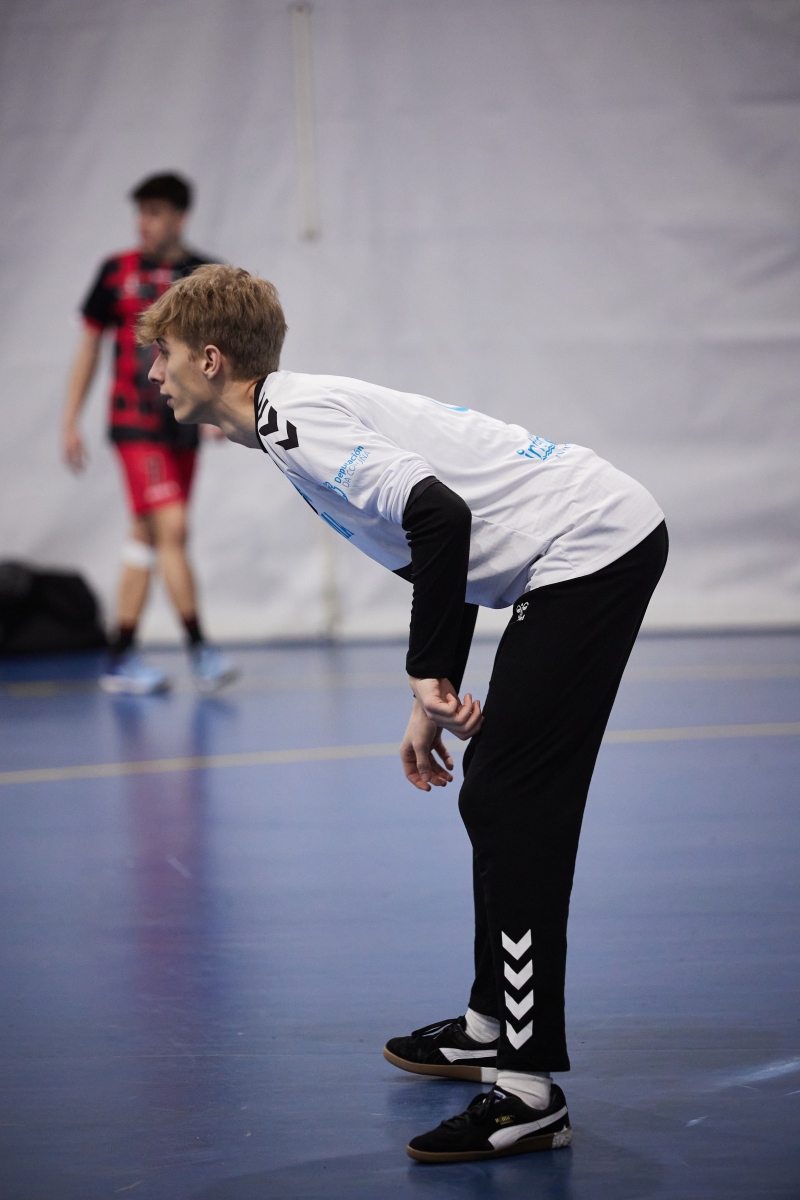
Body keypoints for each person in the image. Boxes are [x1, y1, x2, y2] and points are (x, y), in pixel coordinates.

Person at [138, 264, 668, 1163]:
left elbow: (440, 518)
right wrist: (433, 692)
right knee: (495, 796)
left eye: (164, 353)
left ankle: (528, 1091)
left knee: (512, 801)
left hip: (592, 545)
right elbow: (445, 545)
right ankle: (486, 1024)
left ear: (212, 359)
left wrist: (426, 671)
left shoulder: (293, 421)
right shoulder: (287, 422)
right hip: (568, 551)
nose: (155, 373)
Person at [62, 173, 237, 694]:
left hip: (182, 425)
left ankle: (120, 655)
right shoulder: (115, 272)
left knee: (146, 536)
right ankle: (200, 648)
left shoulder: (203, 276)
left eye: (155, 212)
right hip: (133, 425)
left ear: (181, 217)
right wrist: (70, 420)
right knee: (173, 528)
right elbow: (89, 347)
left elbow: (217, 354)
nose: (144, 222)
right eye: (141, 211)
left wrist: (221, 412)